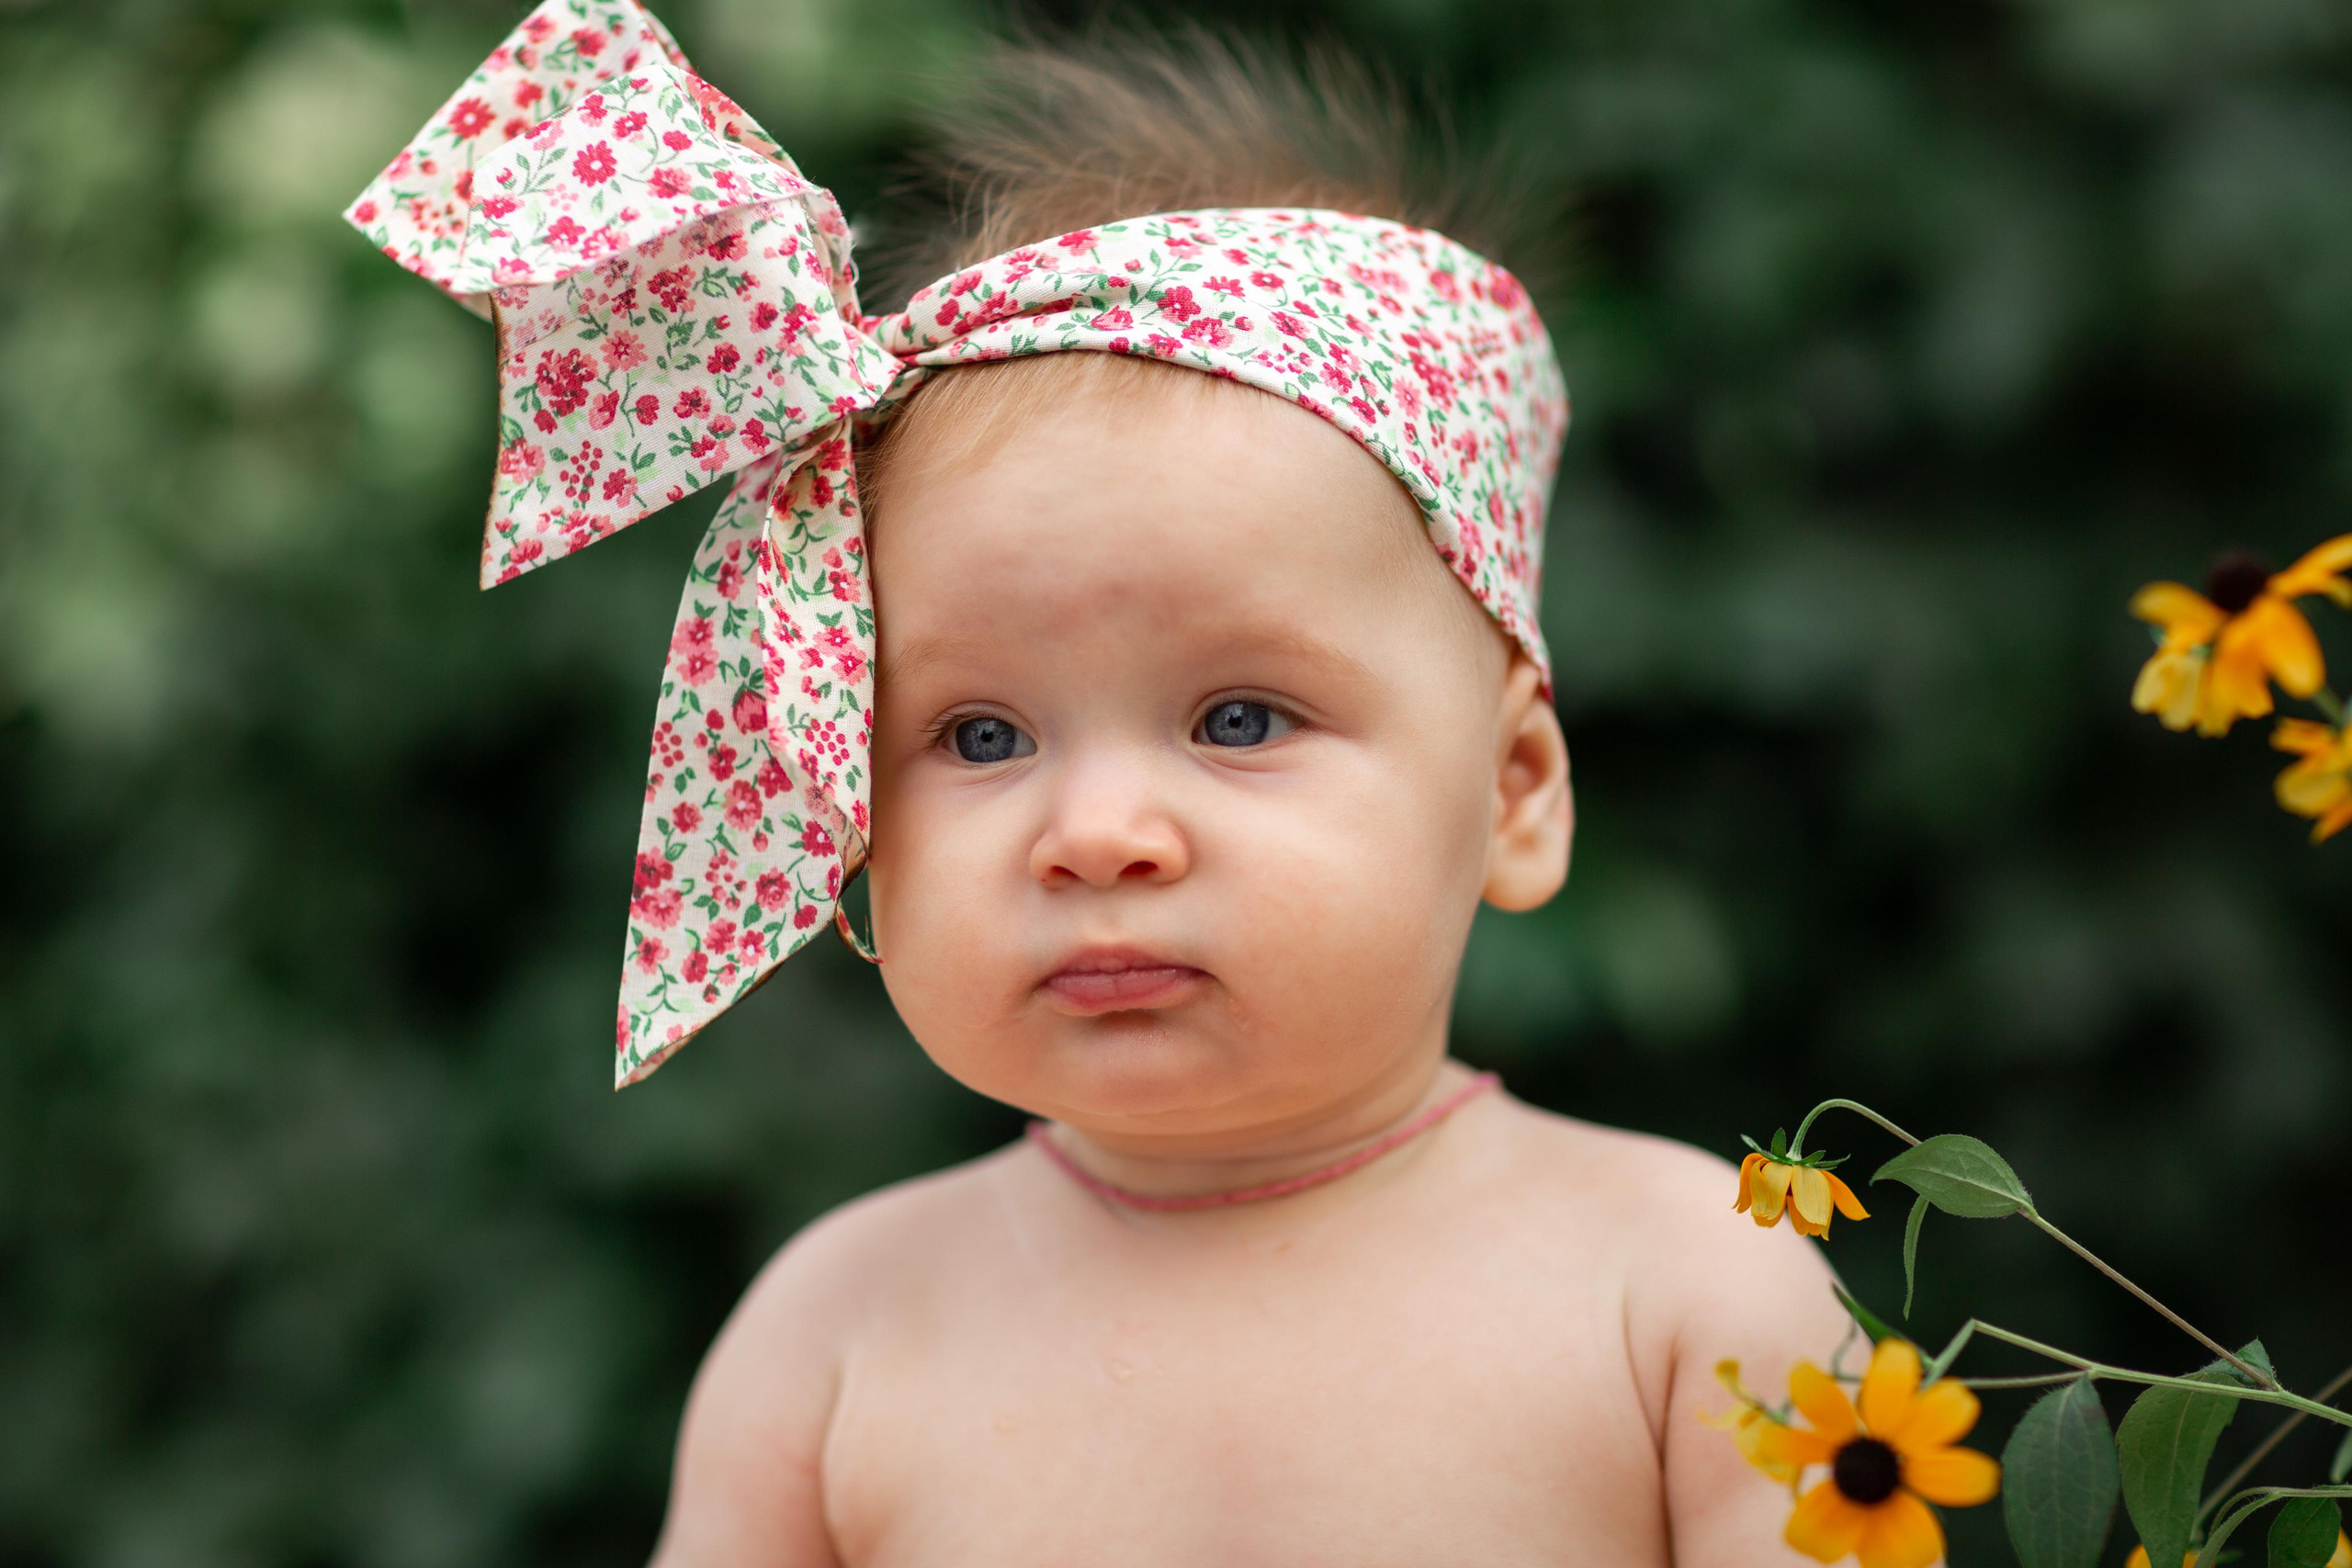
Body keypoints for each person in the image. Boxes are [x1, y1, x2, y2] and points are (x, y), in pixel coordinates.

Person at [348, 3, 1848, 1562]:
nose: (1100, 835)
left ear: (1519, 789)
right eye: (983, 738)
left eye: (1243, 718)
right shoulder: (838, 1339)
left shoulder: (1686, 1296)